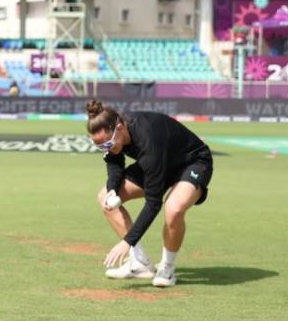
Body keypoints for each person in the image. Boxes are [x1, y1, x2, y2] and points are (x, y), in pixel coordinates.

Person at [85, 99, 212, 289]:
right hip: (160, 163)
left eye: (108, 143)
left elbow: (153, 203)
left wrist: (127, 242)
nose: (107, 148)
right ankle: (140, 263)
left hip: (192, 161)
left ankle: (167, 269)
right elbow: (114, 163)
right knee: (104, 197)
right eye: (101, 146)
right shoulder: (113, 135)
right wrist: (112, 188)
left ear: (119, 127)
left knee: (173, 209)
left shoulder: (147, 139)